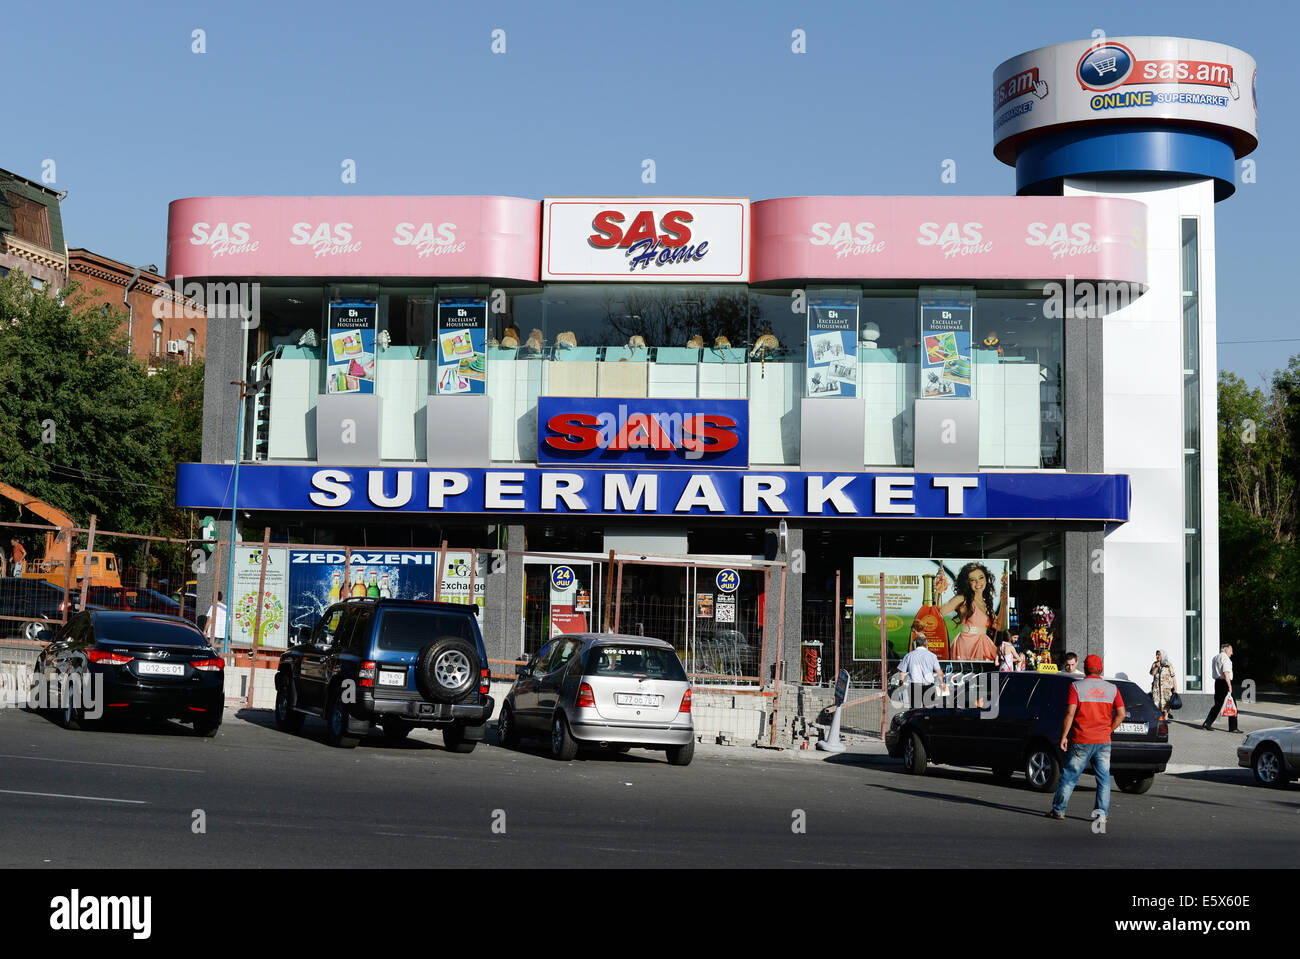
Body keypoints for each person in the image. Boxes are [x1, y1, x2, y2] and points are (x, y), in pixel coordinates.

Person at [1047, 654, 1125, 824]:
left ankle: (1058, 810)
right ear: (1101, 669)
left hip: (1081, 739)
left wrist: (1064, 736)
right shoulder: (1112, 689)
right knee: (1103, 779)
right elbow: (1121, 714)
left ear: (1085, 668)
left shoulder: (1076, 687)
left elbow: (1070, 713)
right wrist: (1109, 730)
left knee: (1069, 776)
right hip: (1103, 741)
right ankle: (1101, 814)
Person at [934, 563, 1007, 662]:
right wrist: (938, 591)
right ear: (967, 582)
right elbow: (936, 612)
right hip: (967, 644)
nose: (978, 583)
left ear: (986, 578)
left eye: (981, 578)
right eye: (973, 580)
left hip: (983, 643)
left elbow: (998, 626)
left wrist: (1003, 603)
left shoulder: (985, 603)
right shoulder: (962, 599)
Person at [893, 634, 945, 710]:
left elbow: (902, 672)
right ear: (926, 644)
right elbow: (939, 672)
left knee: (914, 710)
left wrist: (901, 684)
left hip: (915, 685)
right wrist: (942, 683)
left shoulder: (909, 655)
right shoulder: (932, 656)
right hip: (929, 685)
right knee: (929, 710)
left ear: (916, 644)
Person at [1202, 643, 1239, 733]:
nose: (1232, 653)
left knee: (1217, 705)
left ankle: (1207, 723)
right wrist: (1229, 686)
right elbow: (1226, 673)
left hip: (1217, 683)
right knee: (1233, 705)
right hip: (1224, 683)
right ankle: (1233, 727)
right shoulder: (1226, 658)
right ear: (1226, 650)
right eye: (1231, 650)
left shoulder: (1215, 657)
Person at [1149, 650, 1178, 721]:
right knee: (1156, 704)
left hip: (1166, 689)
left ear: (1163, 655)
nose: (1157, 656)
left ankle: (1165, 718)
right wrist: (1156, 667)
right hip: (1157, 689)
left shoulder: (1168, 665)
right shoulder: (1154, 664)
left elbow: (1173, 676)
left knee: (1166, 705)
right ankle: (1158, 719)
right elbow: (1152, 673)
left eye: (1159, 655)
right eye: (1156, 655)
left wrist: (1175, 687)